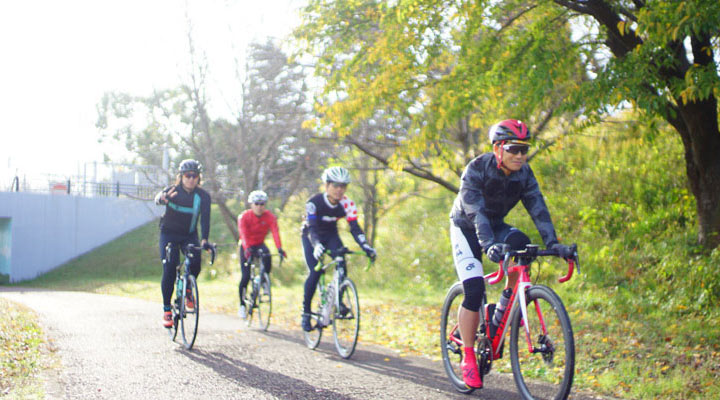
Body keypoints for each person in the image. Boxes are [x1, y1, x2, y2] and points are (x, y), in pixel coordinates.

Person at [449, 119, 574, 389]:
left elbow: (538, 207)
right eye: (513, 149)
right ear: (498, 149)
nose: (519, 155)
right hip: (467, 226)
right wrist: (487, 245)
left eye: (523, 150)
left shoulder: (524, 173)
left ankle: (500, 313)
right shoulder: (476, 169)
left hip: (496, 226)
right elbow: (476, 212)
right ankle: (468, 356)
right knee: (473, 290)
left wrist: (553, 244)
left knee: (524, 247)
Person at [300, 166, 377, 332]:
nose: (339, 190)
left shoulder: (347, 203)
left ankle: (338, 300)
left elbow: (355, 228)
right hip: (310, 235)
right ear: (327, 185)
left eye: (343, 186)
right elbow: (312, 228)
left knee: (342, 260)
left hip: (331, 233)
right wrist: (316, 245)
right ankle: (306, 313)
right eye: (335, 185)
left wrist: (366, 247)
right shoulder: (314, 202)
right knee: (315, 272)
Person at [154, 159, 213, 328]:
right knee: (170, 268)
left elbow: (205, 219)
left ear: (199, 178)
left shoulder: (203, 196)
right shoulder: (173, 191)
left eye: (195, 176)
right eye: (188, 175)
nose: (191, 179)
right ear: (181, 177)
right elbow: (158, 198)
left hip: (189, 235)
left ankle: (188, 290)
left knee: (196, 263)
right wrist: (163, 198)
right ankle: (167, 310)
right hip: (169, 234)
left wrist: (205, 240)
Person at [237, 190, 287, 319]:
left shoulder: (269, 216)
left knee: (267, 257)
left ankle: (264, 280)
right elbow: (243, 234)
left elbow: (275, 232)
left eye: (262, 204)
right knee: (246, 275)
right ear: (251, 204)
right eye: (257, 204)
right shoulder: (244, 217)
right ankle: (242, 305)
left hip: (259, 244)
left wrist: (280, 248)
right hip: (245, 245)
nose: (259, 207)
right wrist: (247, 248)